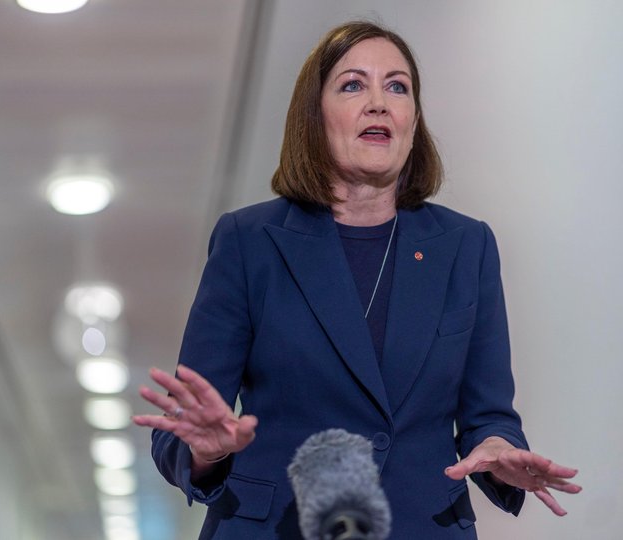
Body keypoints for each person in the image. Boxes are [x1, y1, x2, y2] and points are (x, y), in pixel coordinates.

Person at [133, 20, 581, 539]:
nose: (379, 102)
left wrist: (498, 446)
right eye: (353, 85)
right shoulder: (249, 241)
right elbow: (186, 428)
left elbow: (488, 414)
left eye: (398, 86)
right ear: (314, 117)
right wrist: (203, 450)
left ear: (413, 119)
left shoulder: (466, 246)